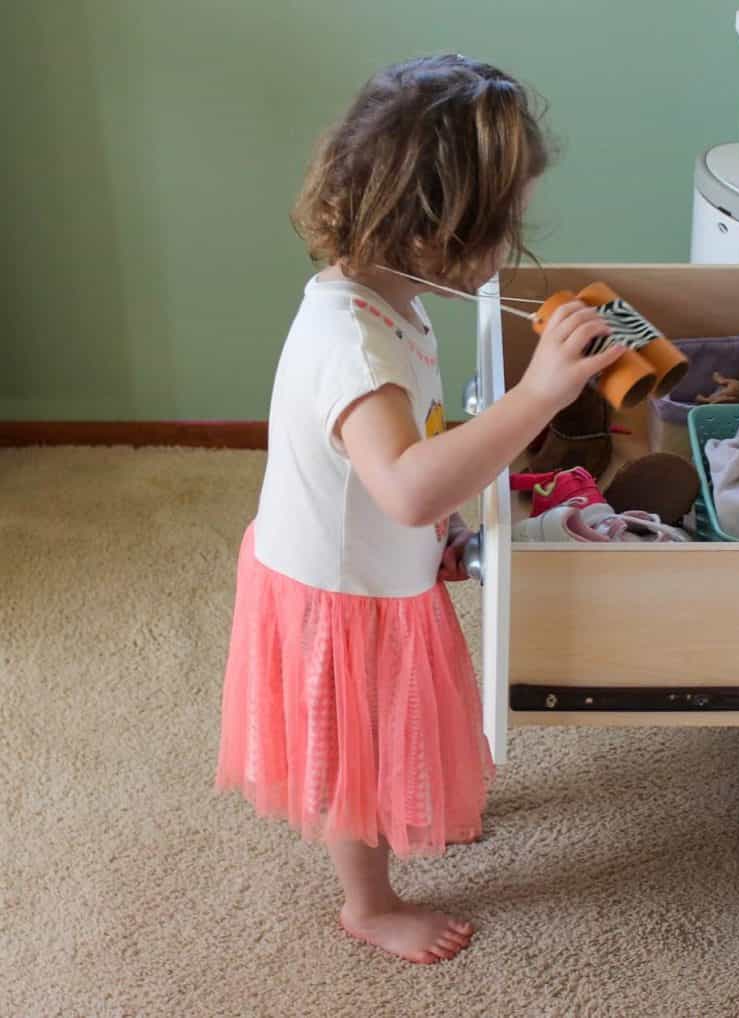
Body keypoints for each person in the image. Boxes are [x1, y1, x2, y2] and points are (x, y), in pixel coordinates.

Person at [215, 53, 624, 965]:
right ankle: (366, 903)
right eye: (501, 227)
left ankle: (412, 821)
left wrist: (445, 530)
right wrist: (539, 398)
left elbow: (408, 467)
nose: (509, 245)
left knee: (404, 715)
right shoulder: (352, 342)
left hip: (379, 565)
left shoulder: (394, 296)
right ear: (436, 228)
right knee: (354, 752)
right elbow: (404, 486)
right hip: (338, 590)